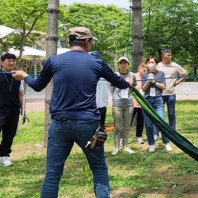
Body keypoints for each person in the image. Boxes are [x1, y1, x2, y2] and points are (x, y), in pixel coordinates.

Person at [12, 27, 134, 197]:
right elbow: (120, 83)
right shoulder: (97, 63)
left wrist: (24, 75)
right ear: (87, 42)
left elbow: (38, 85)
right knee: (98, 168)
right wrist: (128, 81)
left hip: (60, 124)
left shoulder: (53, 61)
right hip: (88, 125)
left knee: (53, 174)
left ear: (71, 41)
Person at [140, 55, 173, 152]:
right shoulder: (144, 75)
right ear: (146, 64)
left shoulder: (161, 73)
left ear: (156, 64)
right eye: (149, 62)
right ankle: (151, 144)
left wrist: (154, 82)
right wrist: (148, 81)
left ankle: (166, 142)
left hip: (158, 100)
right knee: (149, 124)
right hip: (147, 100)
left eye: (152, 62)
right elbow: (143, 89)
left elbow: (163, 86)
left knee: (161, 121)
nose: (151, 64)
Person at [156, 48, 188, 138]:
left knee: (171, 113)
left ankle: (172, 132)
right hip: (160, 94)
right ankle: (158, 132)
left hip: (171, 93)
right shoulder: (158, 66)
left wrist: (177, 82)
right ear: (163, 56)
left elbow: (185, 74)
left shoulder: (175, 66)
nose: (170, 57)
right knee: (159, 114)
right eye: (168, 55)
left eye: (171, 55)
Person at [109, 57, 136, 155]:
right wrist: (116, 98)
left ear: (128, 64)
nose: (123, 65)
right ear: (118, 64)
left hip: (129, 104)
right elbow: (111, 89)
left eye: (125, 63)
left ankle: (125, 146)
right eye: (121, 63)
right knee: (117, 126)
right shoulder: (114, 75)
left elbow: (133, 88)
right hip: (117, 104)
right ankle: (116, 147)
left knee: (126, 126)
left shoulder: (132, 75)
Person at [131, 62, 147, 145]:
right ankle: (122, 138)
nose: (144, 69)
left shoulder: (148, 77)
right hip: (133, 102)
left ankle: (139, 137)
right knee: (128, 121)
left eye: (146, 68)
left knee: (141, 121)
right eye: (142, 67)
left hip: (142, 103)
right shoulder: (134, 76)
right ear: (139, 68)